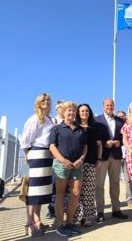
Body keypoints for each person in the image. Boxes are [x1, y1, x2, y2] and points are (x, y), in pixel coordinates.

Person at [49, 101, 87, 237]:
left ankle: (69, 222)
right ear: (63, 113)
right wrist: (63, 160)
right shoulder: (57, 129)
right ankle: (60, 224)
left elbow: (85, 147)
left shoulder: (80, 130)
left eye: (73, 111)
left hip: (77, 165)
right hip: (61, 164)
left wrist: (81, 159)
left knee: (75, 193)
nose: (71, 113)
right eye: (68, 111)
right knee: (60, 193)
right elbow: (52, 146)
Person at [20, 93, 54, 237]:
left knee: (41, 191)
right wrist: (27, 153)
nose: (46, 102)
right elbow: (25, 139)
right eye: (43, 100)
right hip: (37, 154)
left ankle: (37, 219)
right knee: (34, 189)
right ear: (38, 103)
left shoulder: (49, 119)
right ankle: (30, 222)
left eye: (48, 100)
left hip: (47, 155)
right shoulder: (34, 119)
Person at [95, 99, 128, 222]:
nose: (109, 107)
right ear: (103, 106)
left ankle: (116, 209)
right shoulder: (97, 120)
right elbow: (94, 137)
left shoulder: (120, 120)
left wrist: (119, 142)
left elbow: (124, 136)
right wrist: (104, 143)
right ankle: (100, 212)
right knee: (99, 185)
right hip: (102, 155)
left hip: (116, 155)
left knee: (115, 183)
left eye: (111, 105)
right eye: (107, 105)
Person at [73, 104, 103, 227]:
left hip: (91, 163)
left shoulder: (94, 128)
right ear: (78, 113)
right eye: (82, 111)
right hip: (76, 164)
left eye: (87, 111)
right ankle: (75, 216)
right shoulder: (74, 127)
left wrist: (99, 159)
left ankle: (86, 217)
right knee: (76, 191)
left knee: (89, 190)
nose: (85, 112)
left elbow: (99, 145)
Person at [47, 99, 65, 219]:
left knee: (64, 185)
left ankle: (63, 208)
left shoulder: (69, 121)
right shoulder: (52, 121)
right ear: (57, 109)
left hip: (66, 156)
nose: (62, 109)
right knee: (54, 184)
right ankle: (51, 208)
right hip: (54, 156)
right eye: (60, 107)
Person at [117, 110, 132, 207]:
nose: (121, 117)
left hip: (127, 157)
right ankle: (116, 201)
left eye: (122, 116)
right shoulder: (116, 127)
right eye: (119, 116)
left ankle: (129, 200)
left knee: (128, 179)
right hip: (117, 156)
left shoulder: (129, 126)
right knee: (115, 180)